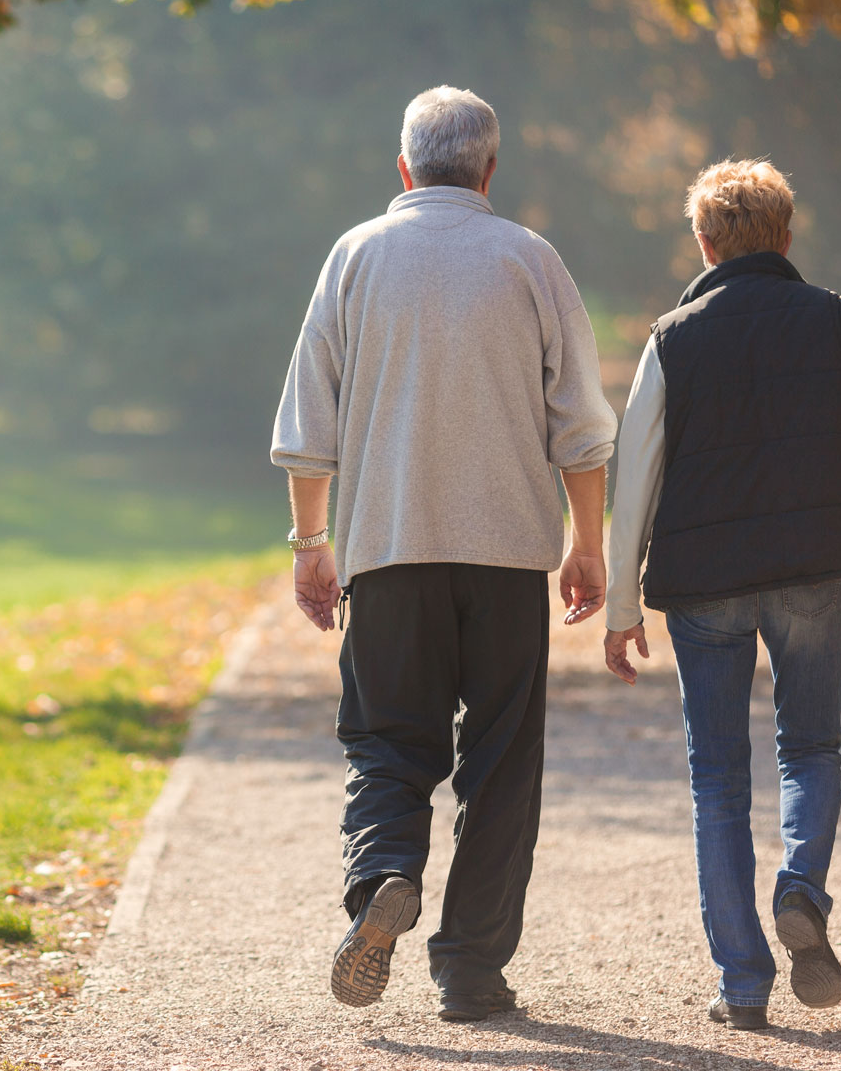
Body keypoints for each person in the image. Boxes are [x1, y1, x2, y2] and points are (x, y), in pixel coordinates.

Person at [271, 86, 616, 1023]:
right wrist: (589, 546)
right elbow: (582, 429)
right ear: (489, 170)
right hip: (507, 560)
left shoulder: (355, 256)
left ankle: (383, 874)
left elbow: (311, 424)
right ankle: (469, 972)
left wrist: (313, 544)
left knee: (387, 739)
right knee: (502, 765)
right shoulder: (531, 259)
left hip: (388, 553)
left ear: (403, 166)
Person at [603, 159, 841, 1031]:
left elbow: (634, 472)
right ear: (787, 237)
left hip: (704, 583)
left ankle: (743, 986)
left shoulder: (671, 337)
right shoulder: (840, 317)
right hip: (815, 566)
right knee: (812, 748)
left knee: (717, 779)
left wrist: (620, 604)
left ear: (704, 243)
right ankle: (802, 890)